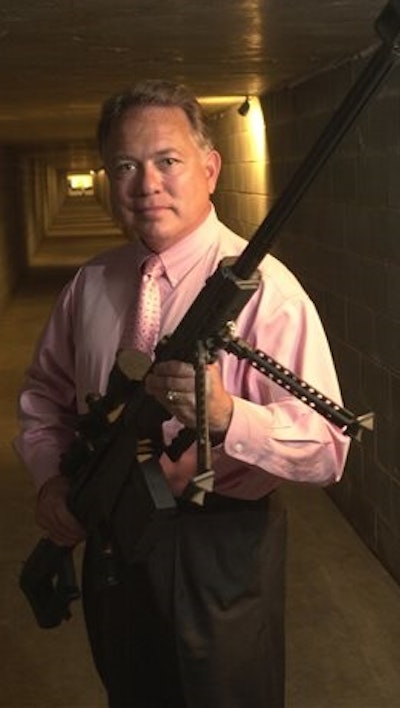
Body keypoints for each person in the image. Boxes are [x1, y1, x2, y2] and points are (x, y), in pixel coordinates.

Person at [14, 79, 350, 707]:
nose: (147, 185)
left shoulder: (267, 291)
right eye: (125, 166)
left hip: (219, 550)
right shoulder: (91, 284)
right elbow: (44, 397)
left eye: (168, 161)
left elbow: (329, 448)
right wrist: (50, 479)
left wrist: (230, 417)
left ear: (210, 168)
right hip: (112, 533)